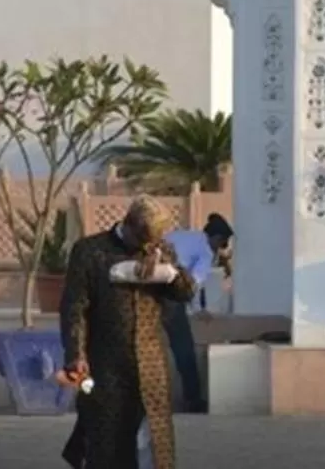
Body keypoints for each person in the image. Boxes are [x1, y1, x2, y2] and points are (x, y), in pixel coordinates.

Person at [56, 198, 198, 469]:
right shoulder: (91, 251)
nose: (145, 247)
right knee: (106, 440)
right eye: (141, 240)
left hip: (151, 365)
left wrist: (171, 273)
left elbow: (186, 293)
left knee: (152, 444)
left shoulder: (161, 250)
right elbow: (74, 307)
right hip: (105, 364)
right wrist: (76, 354)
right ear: (129, 225)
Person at [157, 214, 233, 414]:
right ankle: (193, 400)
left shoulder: (181, 235)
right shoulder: (205, 251)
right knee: (184, 349)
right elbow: (193, 283)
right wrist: (197, 309)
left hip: (147, 291)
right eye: (220, 244)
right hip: (169, 296)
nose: (217, 250)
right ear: (216, 238)